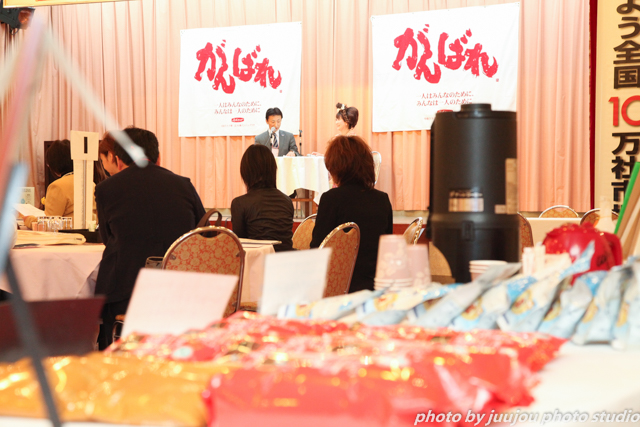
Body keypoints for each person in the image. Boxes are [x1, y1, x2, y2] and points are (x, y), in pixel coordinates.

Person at [95, 126, 206, 349]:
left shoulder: (106, 189)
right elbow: (202, 235)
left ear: (118, 160)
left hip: (126, 293)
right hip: (179, 292)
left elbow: (108, 239)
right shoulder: (184, 185)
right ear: (158, 157)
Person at [310, 135, 393, 293]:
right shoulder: (382, 199)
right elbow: (387, 249)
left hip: (339, 289)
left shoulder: (331, 199)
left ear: (337, 167)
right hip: (376, 288)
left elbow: (318, 250)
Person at [231, 144, 294, 252]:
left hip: (258, 261)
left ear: (246, 172)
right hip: (287, 260)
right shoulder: (287, 201)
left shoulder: (239, 204)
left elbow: (240, 246)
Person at [23, 139, 95, 228]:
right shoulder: (90, 183)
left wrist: (29, 220)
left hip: (65, 235)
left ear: (53, 164)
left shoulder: (57, 186)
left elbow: (50, 224)